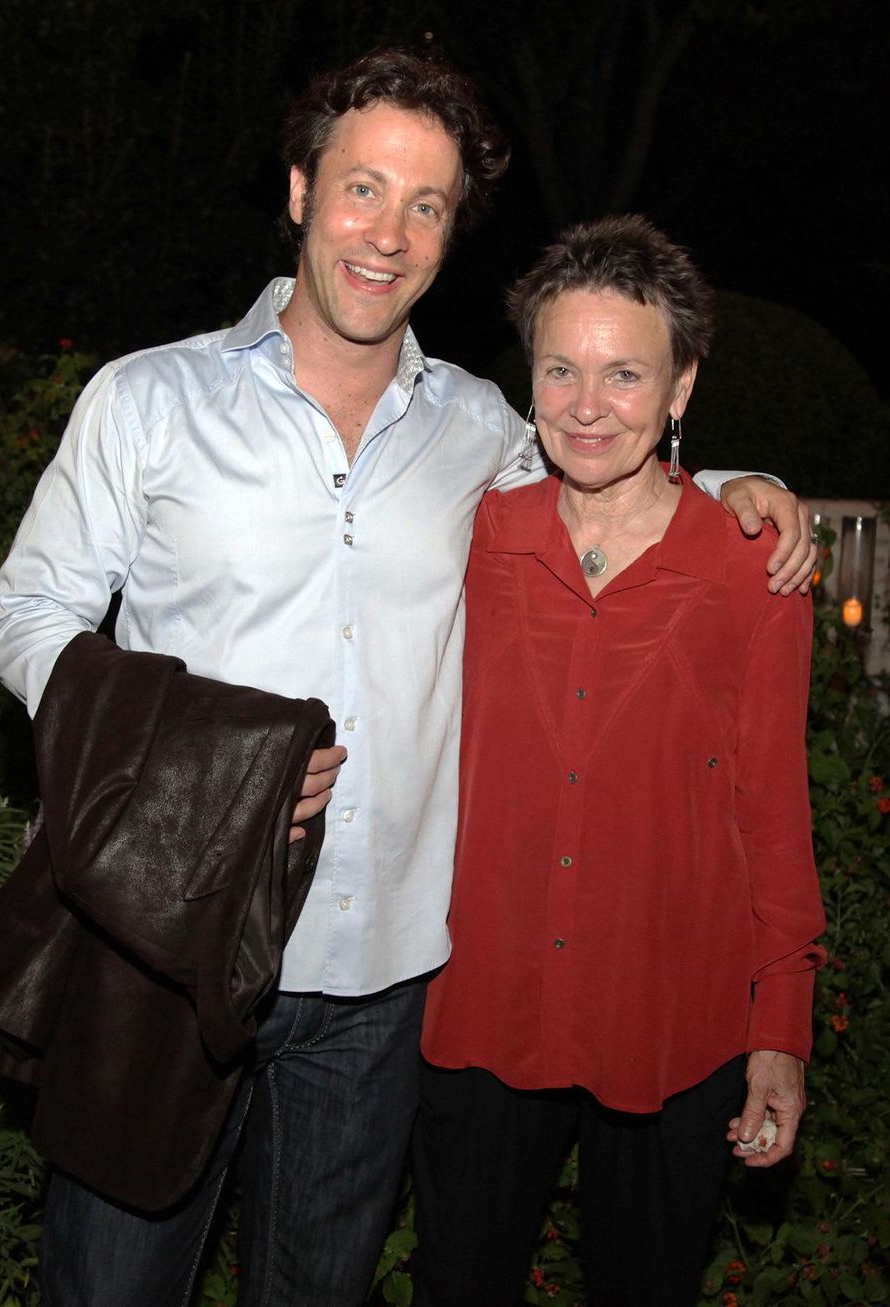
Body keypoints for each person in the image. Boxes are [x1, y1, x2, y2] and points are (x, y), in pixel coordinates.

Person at [0, 48, 815, 1307]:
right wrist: (195, 748)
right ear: (300, 191)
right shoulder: (147, 400)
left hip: (376, 986)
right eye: (363, 189)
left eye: (425, 205)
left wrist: (736, 486)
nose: (387, 233)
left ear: (448, 234)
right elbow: (26, 616)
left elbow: (602, 458)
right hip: (166, 948)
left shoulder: (473, 425)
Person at [415, 215, 827, 1307]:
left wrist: (779, 1028)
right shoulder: (470, 537)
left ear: (680, 386)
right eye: (561, 369)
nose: (586, 405)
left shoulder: (750, 569)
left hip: (673, 1021)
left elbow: (772, 811)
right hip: (484, 1006)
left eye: (624, 373)